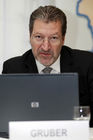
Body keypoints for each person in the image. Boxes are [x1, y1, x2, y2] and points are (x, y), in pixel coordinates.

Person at [2, 5, 93, 127]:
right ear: (30, 36)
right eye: (39, 37)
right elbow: (6, 121)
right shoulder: (12, 69)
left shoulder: (87, 63)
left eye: (54, 38)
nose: (46, 47)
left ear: (63, 39)